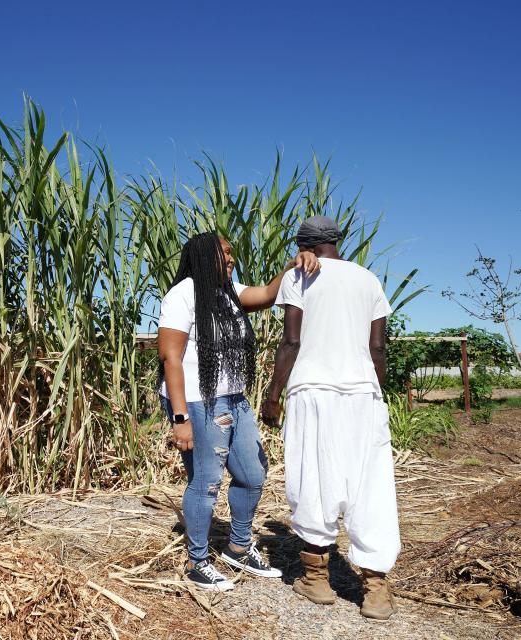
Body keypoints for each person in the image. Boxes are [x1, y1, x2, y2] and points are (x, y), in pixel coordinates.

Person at [158, 231, 319, 591]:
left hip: (233, 398)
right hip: (198, 401)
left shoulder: (228, 294)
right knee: (207, 481)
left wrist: (293, 265)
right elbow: (171, 358)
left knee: (252, 473)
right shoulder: (182, 294)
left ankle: (238, 547)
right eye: (224, 253)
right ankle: (197, 561)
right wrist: (180, 419)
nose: (231, 259)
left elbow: (265, 294)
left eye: (232, 254)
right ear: (203, 256)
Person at [260, 215, 400, 620]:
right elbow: (378, 348)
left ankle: (316, 578)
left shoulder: (299, 276)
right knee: (369, 484)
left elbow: (291, 340)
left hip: (312, 389)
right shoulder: (368, 279)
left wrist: (273, 395)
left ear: (303, 243)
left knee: (313, 477)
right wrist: (376, 393)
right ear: (337, 241)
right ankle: (374, 588)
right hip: (362, 392)